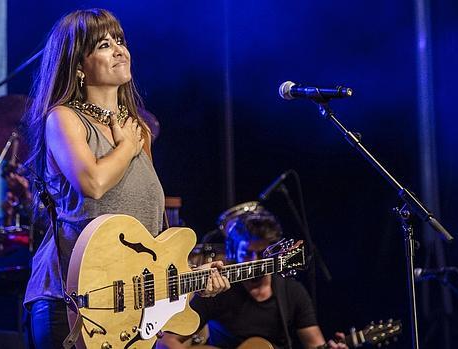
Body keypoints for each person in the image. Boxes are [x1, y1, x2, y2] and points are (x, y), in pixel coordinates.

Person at [21, 9, 229, 348]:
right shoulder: (63, 118)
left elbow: (151, 241)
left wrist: (192, 281)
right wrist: (126, 147)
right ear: (78, 66)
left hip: (125, 315)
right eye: (104, 44)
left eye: (120, 41)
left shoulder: (139, 131)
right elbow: (93, 183)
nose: (120, 50)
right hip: (70, 302)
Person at [158, 210, 347, 349]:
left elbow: (315, 344)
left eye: (260, 254)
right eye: (247, 253)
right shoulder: (217, 287)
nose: (254, 261)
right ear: (233, 252)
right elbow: (166, 342)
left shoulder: (292, 292)